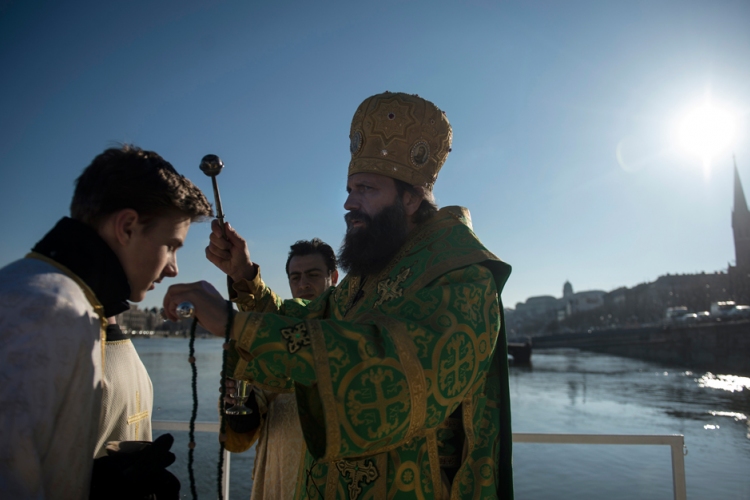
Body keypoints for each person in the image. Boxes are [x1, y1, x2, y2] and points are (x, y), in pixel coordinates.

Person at [165, 92, 514, 499]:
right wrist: (244, 276)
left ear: (412, 196)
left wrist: (233, 324)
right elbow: (304, 322)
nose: (349, 204)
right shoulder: (368, 276)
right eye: (349, 189)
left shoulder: (461, 276)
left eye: (366, 188)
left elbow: (394, 376)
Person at [0, 145, 212, 499]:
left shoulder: (69, 305)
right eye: (171, 246)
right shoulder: (46, 311)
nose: (173, 267)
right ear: (127, 227)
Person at [224, 238, 339, 499]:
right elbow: (251, 417)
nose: (303, 284)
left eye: (313, 275)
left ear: (333, 277)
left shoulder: (348, 330)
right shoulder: (275, 335)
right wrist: (240, 402)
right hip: (278, 466)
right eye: (295, 277)